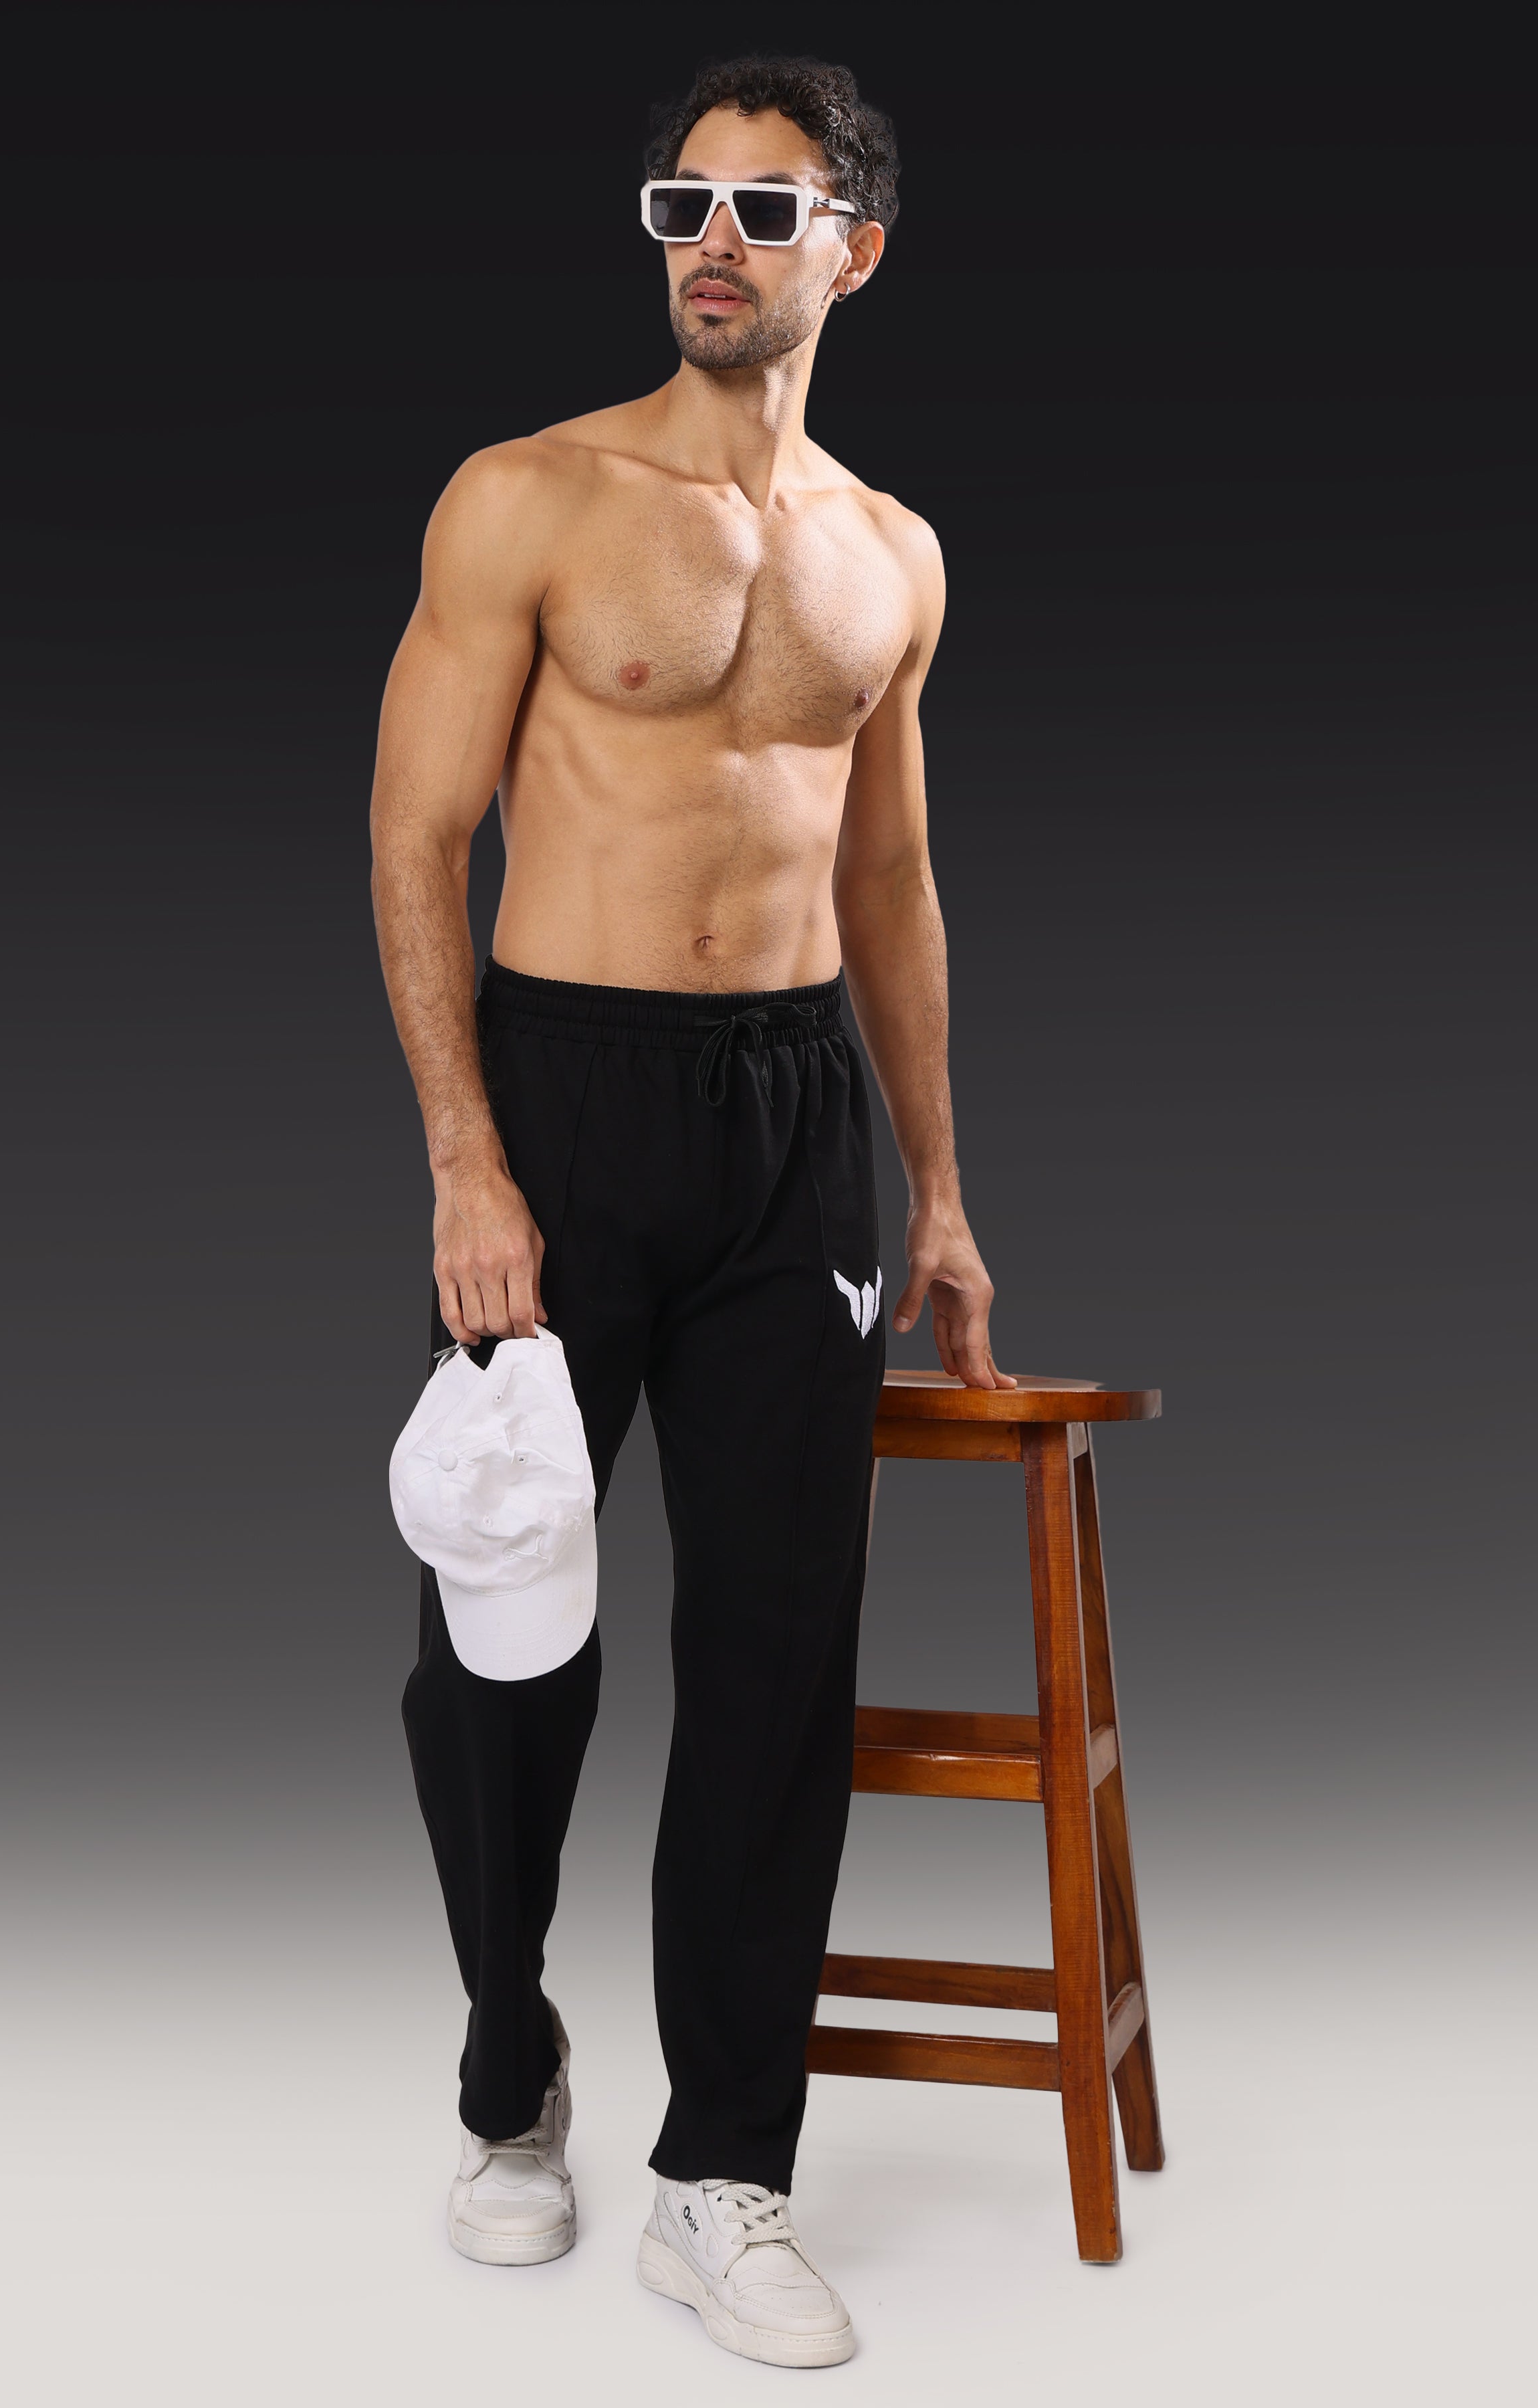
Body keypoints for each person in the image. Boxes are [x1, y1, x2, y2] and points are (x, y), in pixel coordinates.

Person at [369, 51, 1006, 2371]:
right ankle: (508, 2059)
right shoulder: (529, 498)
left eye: (763, 208)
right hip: (563, 1094)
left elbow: (894, 881)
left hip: (793, 1122)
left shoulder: (891, 553)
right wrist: (466, 1154)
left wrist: (940, 1189)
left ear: (859, 248)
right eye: (680, 206)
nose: (711, 245)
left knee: (776, 1654)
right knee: (503, 1623)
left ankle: (725, 2167)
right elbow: (416, 832)